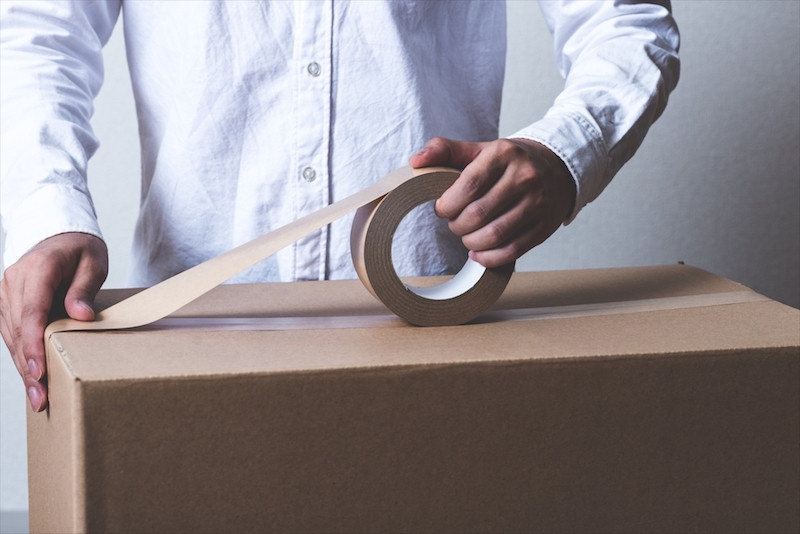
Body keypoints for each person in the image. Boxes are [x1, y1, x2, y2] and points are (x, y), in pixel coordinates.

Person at [0, 1, 680, 412]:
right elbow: (38, 32)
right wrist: (46, 210)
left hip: (435, 326)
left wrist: (564, 151)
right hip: (183, 331)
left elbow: (624, 22)